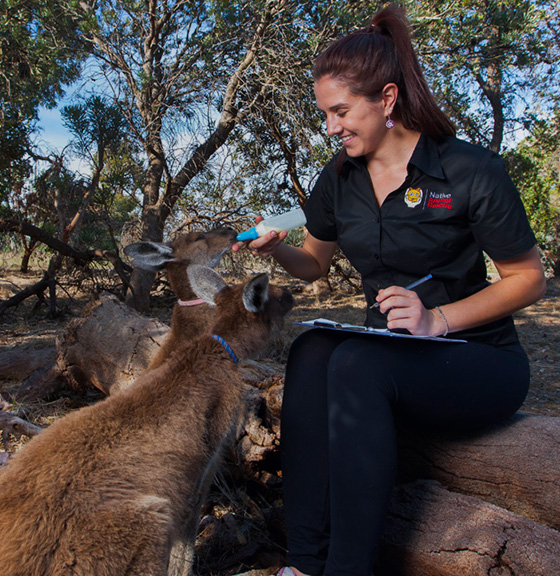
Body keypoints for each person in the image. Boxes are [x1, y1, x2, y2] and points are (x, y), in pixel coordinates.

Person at [233, 4, 546, 576]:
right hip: (389, 357)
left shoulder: (470, 170)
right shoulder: (339, 177)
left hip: (479, 360)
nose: (331, 127)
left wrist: (438, 320)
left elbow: (530, 278)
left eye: (341, 111)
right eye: (325, 114)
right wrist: (276, 247)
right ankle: (303, 562)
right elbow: (314, 266)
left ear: (388, 99)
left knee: (354, 365)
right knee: (309, 350)